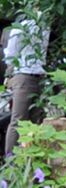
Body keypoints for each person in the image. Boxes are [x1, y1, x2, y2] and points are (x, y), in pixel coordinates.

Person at [4, 13, 49, 155]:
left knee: (36, 119)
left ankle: (30, 158)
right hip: (23, 74)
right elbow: (10, 54)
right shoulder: (21, 28)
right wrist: (12, 73)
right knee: (19, 119)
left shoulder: (46, 27)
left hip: (39, 76)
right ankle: (11, 162)